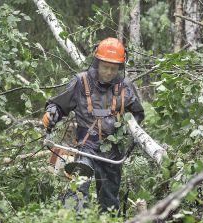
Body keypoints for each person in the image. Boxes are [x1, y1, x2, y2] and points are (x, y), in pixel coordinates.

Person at [41, 37, 144, 213]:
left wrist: (128, 129)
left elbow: (138, 114)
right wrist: (51, 114)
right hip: (85, 146)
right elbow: (58, 105)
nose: (110, 72)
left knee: (109, 200)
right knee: (77, 190)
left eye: (114, 68)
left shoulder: (125, 87)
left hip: (113, 150)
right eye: (106, 67)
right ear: (97, 62)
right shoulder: (80, 82)